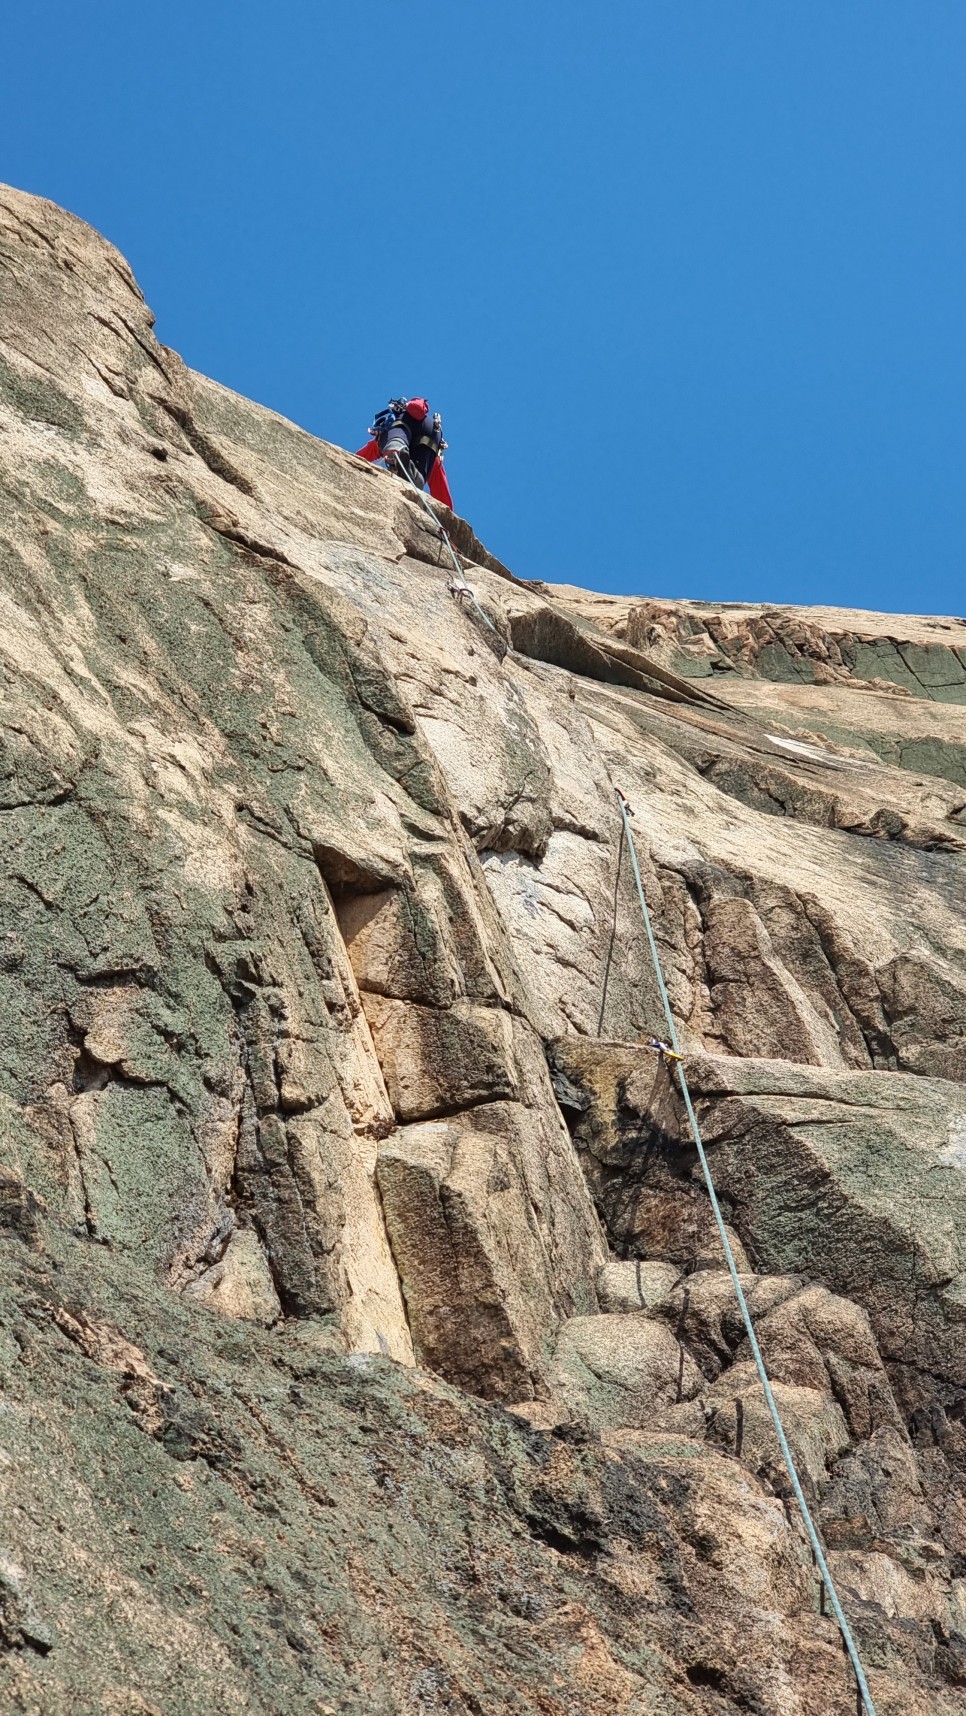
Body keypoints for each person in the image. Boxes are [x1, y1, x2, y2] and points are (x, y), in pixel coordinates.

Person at [355, 397, 454, 508]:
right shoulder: (434, 460)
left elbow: (367, 452)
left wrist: (353, 461)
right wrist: (447, 512)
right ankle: (413, 475)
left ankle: (397, 451)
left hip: (400, 425)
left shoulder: (403, 416)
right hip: (432, 434)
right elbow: (440, 486)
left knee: (394, 444)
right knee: (419, 476)